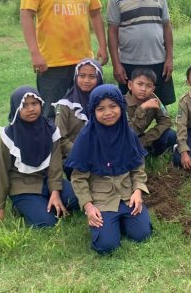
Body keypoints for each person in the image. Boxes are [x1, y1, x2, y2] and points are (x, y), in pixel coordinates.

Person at [20, 0, 108, 120]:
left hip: (83, 61)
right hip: (51, 62)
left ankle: (83, 148)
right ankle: (54, 150)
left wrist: (103, 45)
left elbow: (95, 13)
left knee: (88, 108)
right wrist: (35, 53)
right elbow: (26, 16)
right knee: (51, 112)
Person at [65, 85, 152, 254]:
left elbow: (137, 167)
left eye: (113, 106)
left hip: (127, 196)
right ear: (93, 111)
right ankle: (111, 223)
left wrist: (138, 191)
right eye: (100, 109)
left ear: (121, 106)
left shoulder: (128, 133)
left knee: (142, 235)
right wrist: (89, 207)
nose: (108, 113)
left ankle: (121, 220)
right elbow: (78, 178)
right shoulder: (86, 138)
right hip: (101, 199)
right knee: (107, 246)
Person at [0, 86, 78, 229]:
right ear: (16, 108)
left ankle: (44, 201)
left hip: (47, 180)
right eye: (24, 105)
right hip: (23, 186)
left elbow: (55, 165)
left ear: (41, 104)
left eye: (34, 104)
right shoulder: (8, 137)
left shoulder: (50, 129)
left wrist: (55, 192)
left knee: (76, 200)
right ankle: (21, 205)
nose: (31, 109)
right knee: (47, 223)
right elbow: (1, 173)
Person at [106, 0, 175, 106]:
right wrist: (116, 64)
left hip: (158, 60)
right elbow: (112, 31)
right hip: (129, 62)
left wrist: (169, 58)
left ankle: (162, 131)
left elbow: (167, 27)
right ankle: (133, 132)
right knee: (129, 106)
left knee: (161, 105)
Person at [54, 58, 103, 161]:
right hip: (75, 156)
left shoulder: (106, 102)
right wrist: (81, 153)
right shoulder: (65, 105)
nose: (86, 80)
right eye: (82, 76)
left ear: (99, 79)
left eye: (92, 77)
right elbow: (61, 138)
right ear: (76, 77)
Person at [125, 67, 177, 156]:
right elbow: (128, 132)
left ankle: (148, 152)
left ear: (153, 89)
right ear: (130, 85)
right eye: (140, 84)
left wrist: (146, 139)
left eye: (148, 86)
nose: (143, 89)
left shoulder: (153, 98)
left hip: (143, 138)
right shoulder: (121, 103)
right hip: (125, 141)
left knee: (171, 135)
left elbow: (166, 121)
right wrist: (142, 108)